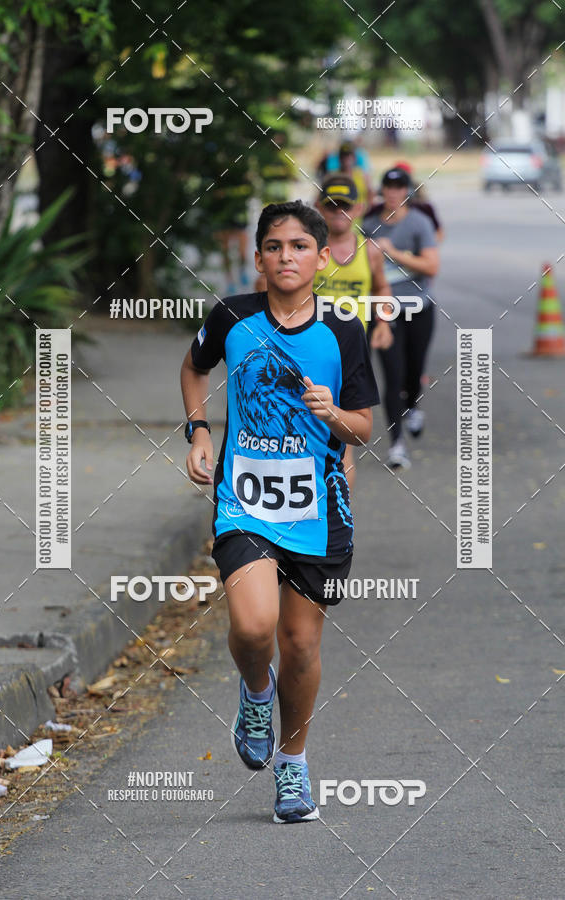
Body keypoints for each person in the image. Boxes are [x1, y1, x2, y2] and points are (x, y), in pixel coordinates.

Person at [181, 200, 379, 823]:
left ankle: (293, 768)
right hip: (244, 501)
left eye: (299, 246)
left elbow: (365, 428)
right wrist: (199, 431)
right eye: (274, 246)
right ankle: (255, 692)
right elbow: (193, 367)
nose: (285, 257)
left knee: (298, 644)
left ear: (324, 258)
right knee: (253, 627)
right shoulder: (232, 316)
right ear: (258, 256)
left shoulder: (344, 330)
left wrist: (333, 416)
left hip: (319, 511)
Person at [315, 174, 393, 493]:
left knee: (345, 439)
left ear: (358, 208)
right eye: (332, 206)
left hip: (350, 353)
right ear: (320, 209)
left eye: (345, 206)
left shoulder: (369, 250)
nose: (338, 213)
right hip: (310, 347)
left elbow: (382, 287)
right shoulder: (309, 249)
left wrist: (384, 322)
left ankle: (339, 517)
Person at [361, 167, 439, 470]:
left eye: (399, 187)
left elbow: (432, 267)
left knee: (413, 371)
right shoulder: (368, 225)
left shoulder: (420, 223)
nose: (393, 192)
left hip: (419, 308)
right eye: (388, 187)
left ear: (407, 190)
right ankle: (397, 445)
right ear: (382, 191)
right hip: (385, 311)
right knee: (392, 377)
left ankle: (414, 405)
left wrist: (394, 252)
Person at [368, 160, 444, 242]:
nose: (393, 193)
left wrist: (423, 242)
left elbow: (439, 235)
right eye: (390, 186)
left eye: (399, 187)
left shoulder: (424, 208)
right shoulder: (376, 210)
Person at [318, 140, 372, 207]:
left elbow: (370, 194)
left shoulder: (363, 175)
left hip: (359, 216)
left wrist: (366, 212)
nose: (346, 159)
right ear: (339, 158)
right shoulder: (331, 176)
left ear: (354, 158)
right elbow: (320, 197)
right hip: (338, 214)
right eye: (344, 156)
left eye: (349, 156)